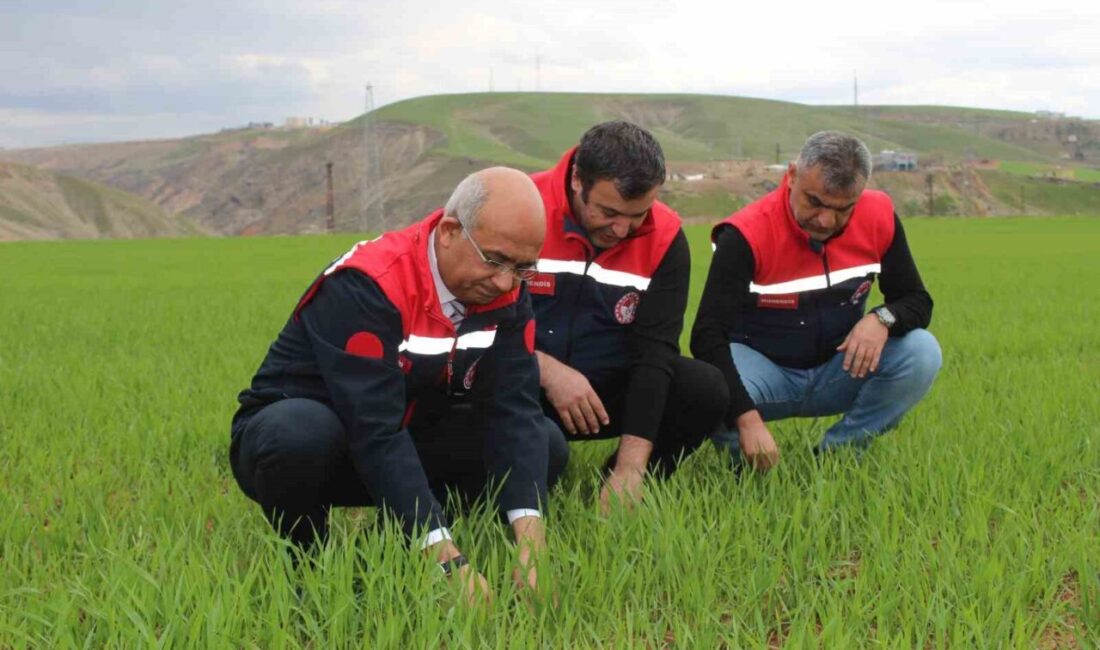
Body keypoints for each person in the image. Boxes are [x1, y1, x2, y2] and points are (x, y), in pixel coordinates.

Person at [230, 167, 562, 602]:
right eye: (494, 260)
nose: (505, 281)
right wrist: (449, 563)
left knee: (546, 443)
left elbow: (515, 408)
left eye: (522, 268)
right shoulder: (369, 284)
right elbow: (374, 428)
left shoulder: (506, 289)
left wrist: (532, 550)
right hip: (325, 441)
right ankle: (309, 565)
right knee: (296, 434)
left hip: (405, 434)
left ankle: (392, 540)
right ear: (449, 232)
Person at [691, 131, 942, 472]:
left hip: (838, 368)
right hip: (761, 374)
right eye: (814, 202)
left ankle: (839, 456)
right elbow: (707, 336)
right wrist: (747, 420)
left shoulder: (878, 216)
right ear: (792, 175)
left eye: (843, 209)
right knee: (705, 387)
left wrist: (881, 319)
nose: (825, 220)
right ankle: (747, 471)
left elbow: (916, 300)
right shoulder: (745, 234)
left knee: (922, 351)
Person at [529, 121, 728, 510]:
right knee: (543, 455)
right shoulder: (520, 209)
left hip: (604, 392)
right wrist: (546, 370)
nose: (621, 230)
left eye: (637, 214)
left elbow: (655, 352)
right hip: (522, 382)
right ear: (577, 180)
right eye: (608, 212)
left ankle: (618, 489)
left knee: (703, 389)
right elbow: (473, 324)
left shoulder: (665, 237)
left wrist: (631, 467)